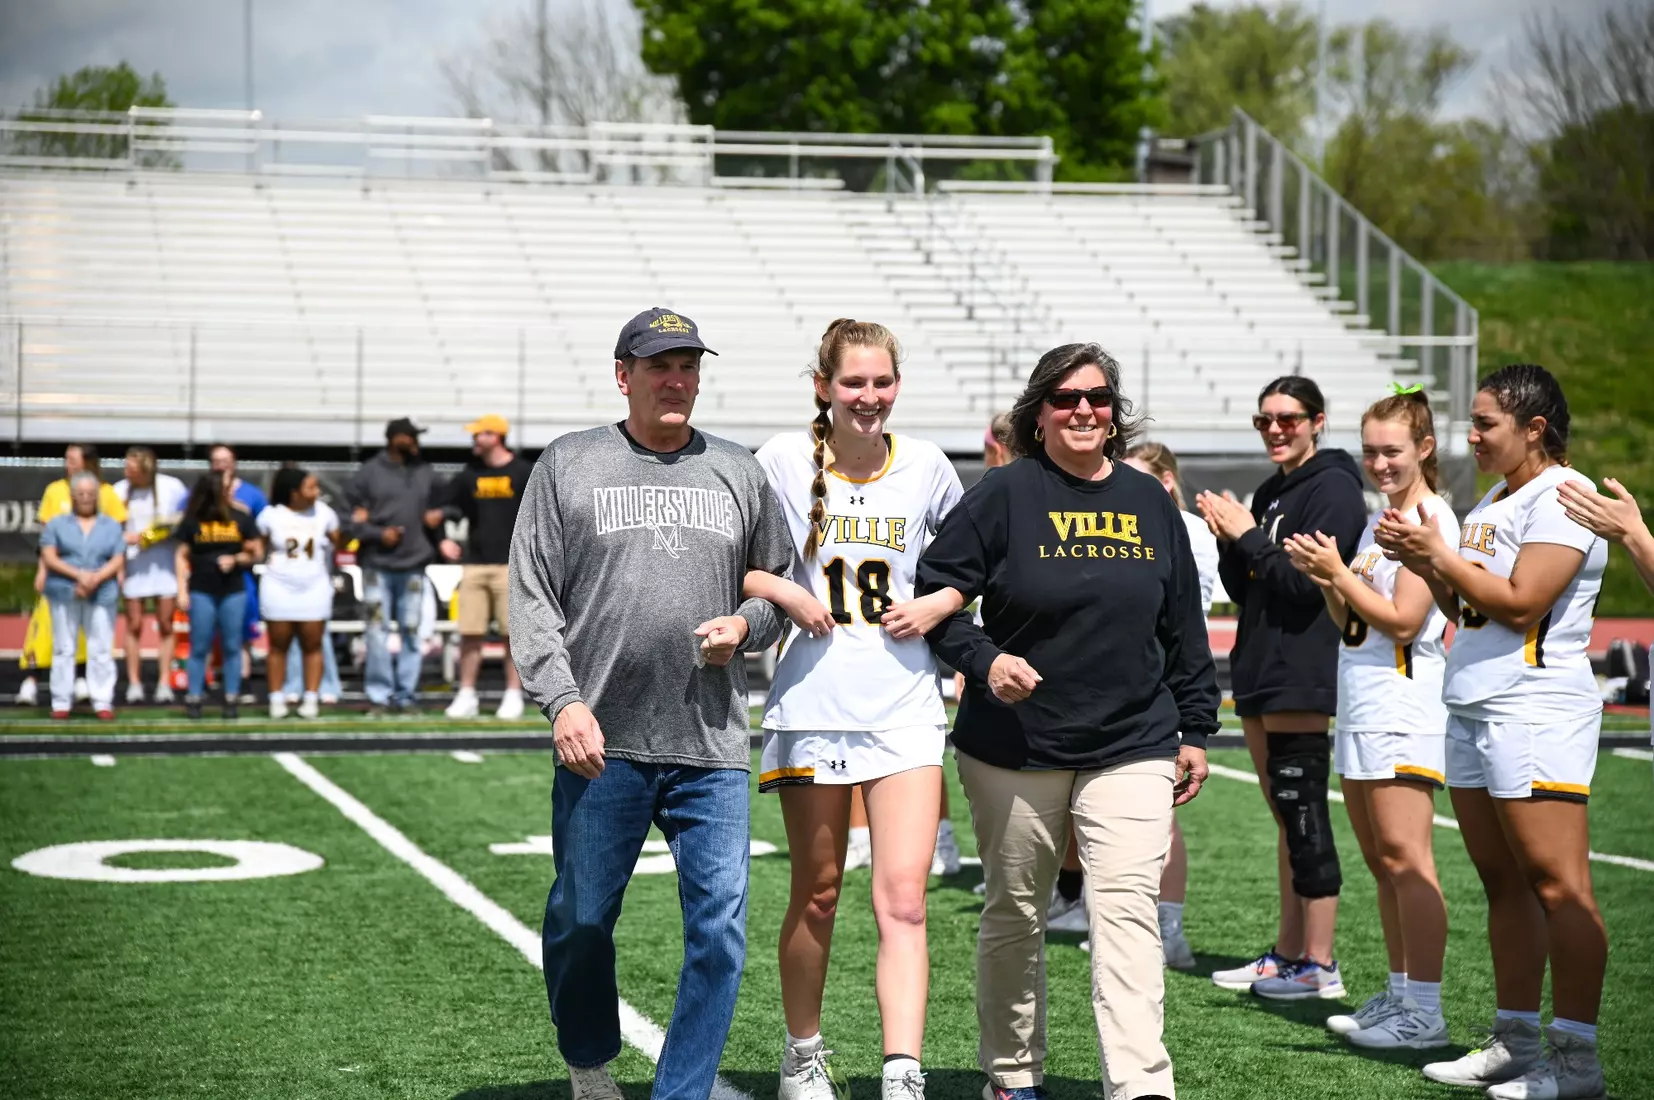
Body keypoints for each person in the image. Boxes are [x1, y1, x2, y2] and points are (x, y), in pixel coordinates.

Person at [916, 342, 1219, 1100]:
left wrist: (1195, 730)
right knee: (1016, 914)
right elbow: (938, 600)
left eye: (1098, 398)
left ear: (1115, 414)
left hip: (1133, 740)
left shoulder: (1151, 501)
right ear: (1038, 413)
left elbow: (1182, 621)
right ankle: (1013, 1076)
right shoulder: (1002, 494)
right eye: (1065, 398)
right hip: (1015, 746)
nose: (1084, 410)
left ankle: (1141, 1085)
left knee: (1125, 914)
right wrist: (987, 662)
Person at [509, 307, 791, 1100]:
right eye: (660, 365)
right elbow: (531, 600)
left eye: (690, 366)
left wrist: (746, 624)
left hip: (712, 745)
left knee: (720, 933)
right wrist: (561, 701)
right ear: (623, 374)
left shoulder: (739, 470)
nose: (678, 380)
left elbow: (775, 586)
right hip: (603, 743)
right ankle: (590, 1056)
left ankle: (682, 1091)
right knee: (582, 920)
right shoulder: (570, 463)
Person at [1377, 364, 1609, 1099]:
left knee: (1558, 885)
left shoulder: (1568, 497)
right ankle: (1513, 1043)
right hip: (1476, 703)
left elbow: (1521, 604)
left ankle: (1575, 1062)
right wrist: (1427, 563)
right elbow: (1467, 609)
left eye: (1486, 424)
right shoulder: (1500, 497)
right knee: (1502, 881)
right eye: (1472, 422)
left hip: (1535, 709)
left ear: (1534, 428)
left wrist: (1439, 555)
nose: (1470, 436)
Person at [748, 318, 964, 1100]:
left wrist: (938, 602)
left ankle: (901, 1071)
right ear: (823, 387)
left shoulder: (930, 466)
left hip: (906, 706)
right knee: (819, 888)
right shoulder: (778, 459)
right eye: (853, 383)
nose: (869, 397)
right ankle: (802, 1054)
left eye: (882, 383)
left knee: (904, 897)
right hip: (810, 705)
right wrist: (784, 589)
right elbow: (733, 562)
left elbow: (971, 566)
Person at [1283, 387, 1456, 1049]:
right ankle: (1401, 992)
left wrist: (1339, 576)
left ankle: (1428, 1014)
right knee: (1382, 862)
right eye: (1371, 451)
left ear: (1424, 448)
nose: (1380, 463)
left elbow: (1406, 622)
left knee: (1408, 860)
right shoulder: (1382, 518)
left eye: (1393, 451)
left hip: (1404, 707)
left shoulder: (1429, 518)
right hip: (1364, 701)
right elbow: (1353, 623)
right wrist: (1331, 581)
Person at [1196, 375, 1367, 1001]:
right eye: (1263, 419)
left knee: (1303, 812)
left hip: (1302, 668)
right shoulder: (1273, 490)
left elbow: (1304, 588)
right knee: (1284, 817)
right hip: (1262, 668)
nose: (1274, 429)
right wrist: (1227, 542)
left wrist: (1246, 534)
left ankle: (1319, 963)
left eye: (1287, 418)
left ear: (1317, 421)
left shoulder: (1335, 490)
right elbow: (1250, 589)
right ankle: (1289, 952)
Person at [1118, 441, 1223, 972]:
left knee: (1158, 815)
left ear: (1165, 481)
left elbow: (1184, 614)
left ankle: (1167, 927)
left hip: (1167, 679)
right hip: (1141, 676)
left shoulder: (1186, 529)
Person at [437, 413, 536, 720]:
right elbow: (443, 509)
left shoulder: (523, 472)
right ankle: (466, 693)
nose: (474, 440)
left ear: (495, 436)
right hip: (476, 564)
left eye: (479, 434)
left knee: (512, 636)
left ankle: (512, 694)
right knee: (470, 632)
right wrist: (443, 538)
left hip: (513, 566)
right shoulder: (470, 474)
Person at [343, 418, 444, 715]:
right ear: (394, 438)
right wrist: (376, 534)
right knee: (376, 631)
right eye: (410, 436)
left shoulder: (424, 471)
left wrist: (440, 514)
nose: (415, 442)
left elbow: (451, 500)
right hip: (377, 565)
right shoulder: (368, 473)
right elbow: (346, 518)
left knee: (413, 632)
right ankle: (379, 695)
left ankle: (406, 695)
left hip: (413, 565)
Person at [18, 444, 126, 707]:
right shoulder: (55, 491)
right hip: (61, 580)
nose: (68, 464)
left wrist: (109, 575)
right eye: (66, 459)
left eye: (73, 459)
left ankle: (86, 684)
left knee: (94, 639)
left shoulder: (108, 494)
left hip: (99, 583)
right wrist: (44, 571)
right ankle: (34, 681)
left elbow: (116, 541)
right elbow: (47, 542)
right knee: (48, 633)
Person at [173, 472, 263, 720]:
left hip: (232, 588)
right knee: (199, 644)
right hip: (202, 588)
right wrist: (181, 589)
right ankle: (194, 696)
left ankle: (231, 697)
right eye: (225, 488)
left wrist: (236, 559)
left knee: (232, 644)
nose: (230, 491)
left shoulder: (240, 516)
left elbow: (256, 552)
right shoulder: (194, 519)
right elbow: (181, 554)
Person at [257, 467, 341, 720]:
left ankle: (311, 698)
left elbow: (339, 542)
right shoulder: (271, 515)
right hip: (279, 585)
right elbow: (258, 548)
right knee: (278, 645)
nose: (317, 492)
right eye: (311, 487)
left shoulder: (325, 514)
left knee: (313, 644)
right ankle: (276, 698)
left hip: (313, 585)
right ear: (293, 493)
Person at [113, 446, 188, 705]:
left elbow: (180, 521)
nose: (127, 473)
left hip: (164, 564)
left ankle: (164, 681)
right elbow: (113, 529)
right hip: (134, 565)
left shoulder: (172, 486)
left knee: (166, 623)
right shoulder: (119, 490)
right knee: (133, 624)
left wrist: (149, 536)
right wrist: (131, 541)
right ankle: (134, 681)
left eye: (132, 469)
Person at [211, 444, 268, 702]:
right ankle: (209, 680)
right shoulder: (201, 494)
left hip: (239, 573)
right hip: (206, 573)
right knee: (206, 630)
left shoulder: (251, 496)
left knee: (241, 631)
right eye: (216, 460)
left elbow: (261, 537)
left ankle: (241, 681)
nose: (221, 465)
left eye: (226, 460)